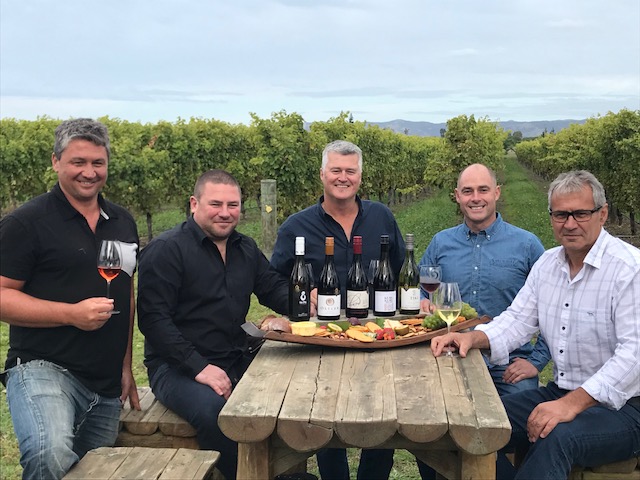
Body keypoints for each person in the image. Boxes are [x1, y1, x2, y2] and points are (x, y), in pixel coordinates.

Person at [431, 170, 640, 479]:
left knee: (556, 437)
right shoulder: (548, 265)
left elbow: (633, 357)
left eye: (580, 213)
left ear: (603, 213)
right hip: (560, 391)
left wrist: (571, 405)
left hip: (624, 408)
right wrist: (472, 339)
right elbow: (517, 320)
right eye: (560, 214)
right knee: (463, 425)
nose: (569, 224)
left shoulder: (629, 269)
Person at [0, 118, 140, 480]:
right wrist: (70, 314)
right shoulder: (26, 223)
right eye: (78, 162)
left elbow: (126, 293)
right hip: (43, 367)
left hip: (105, 382)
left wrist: (125, 366)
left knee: (92, 471)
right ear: (56, 162)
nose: (89, 172)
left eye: (98, 163)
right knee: (48, 453)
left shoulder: (122, 222)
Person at [137, 169, 298, 480]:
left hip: (234, 354)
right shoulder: (166, 250)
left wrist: (308, 302)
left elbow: (271, 289)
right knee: (216, 412)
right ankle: (243, 475)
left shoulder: (245, 248)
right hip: (176, 366)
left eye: (233, 205)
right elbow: (155, 321)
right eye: (216, 204)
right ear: (194, 204)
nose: (225, 213)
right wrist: (199, 368)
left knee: (292, 384)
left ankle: (276, 468)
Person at [270, 140, 405, 480]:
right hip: (323, 340)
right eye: (336, 170)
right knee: (326, 419)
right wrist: (298, 297)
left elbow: (402, 271)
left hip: (378, 337)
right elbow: (272, 280)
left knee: (383, 418)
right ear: (322, 175)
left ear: (360, 176)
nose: (343, 177)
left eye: (350, 171)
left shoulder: (382, 218)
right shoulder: (296, 227)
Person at [419, 163, 551, 395]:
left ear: (497, 193)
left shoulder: (527, 245)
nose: (475, 198)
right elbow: (422, 288)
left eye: (483, 190)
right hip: (450, 351)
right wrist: (423, 301)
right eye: (468, 191)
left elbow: (555, 308)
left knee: (516, 422)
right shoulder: (441, 243)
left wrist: (537, 361)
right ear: (457, 196)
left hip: (510, 361)